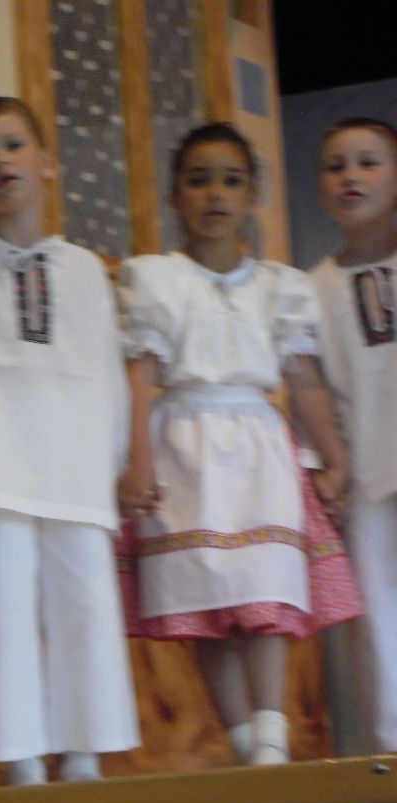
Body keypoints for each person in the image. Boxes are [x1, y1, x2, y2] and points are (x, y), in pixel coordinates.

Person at [118, 122, 360, 766]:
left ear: (252, 195)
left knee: (264, 588)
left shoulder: (279, 287)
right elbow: (139, 376)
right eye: (199, 181)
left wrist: (333, 456)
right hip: (181, 444)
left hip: (257, 446)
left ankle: (273, 736)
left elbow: (303, 379)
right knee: (204, 597)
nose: (215, 194)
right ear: (174, 196)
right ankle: (245, 744)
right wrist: (137, 461)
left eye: (231, 181)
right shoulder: (155, 280)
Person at [0, 97, 140, 785]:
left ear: (46, 161)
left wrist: (116, 463)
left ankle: (83, 754)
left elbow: (108, 373)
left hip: (76, 465)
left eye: (13, 145)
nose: (0, 162)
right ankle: (19, 761)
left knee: (86, 608)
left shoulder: (85, 270)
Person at [311, 118, 397, 753]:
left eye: (369, 162)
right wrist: (329, 464)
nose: (351, 176)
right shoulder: (310, 289)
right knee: (377, 614)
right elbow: (308, 389)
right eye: (337, 165)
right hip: (364, 474)